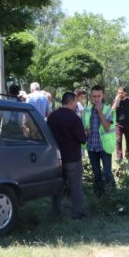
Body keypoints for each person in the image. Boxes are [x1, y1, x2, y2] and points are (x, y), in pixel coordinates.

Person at [47, 92, 87, 220]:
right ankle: (77, 213)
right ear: (71, 102)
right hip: (72, 158)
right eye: (75, 102)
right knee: (76, 186)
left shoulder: (52, 117)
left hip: (56, 158)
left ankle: (55, 211)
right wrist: (87, 133)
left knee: (58, 186)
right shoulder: (75, 118)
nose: (76, 105)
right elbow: (82, 139)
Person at [83, 85, 116, 196]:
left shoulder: (108, 110)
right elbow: (85, 127)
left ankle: (113, 195)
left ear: (103, 96)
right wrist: (86, 130)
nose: (96, 99)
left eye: (98, 96)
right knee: (96, 174)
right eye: (94, 96)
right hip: (92, 146)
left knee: (107, 173)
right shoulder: (87, 110)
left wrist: (100, 112)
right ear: (91, 96)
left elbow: (107, 127)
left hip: (104, 146)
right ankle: (99, 197)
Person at [111, 86, 129, 162]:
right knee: (118, 141)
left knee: (128, 141)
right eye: (118, 93)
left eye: (121, 93)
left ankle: (127, 156)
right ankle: (119, 158)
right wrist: (116, 100)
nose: (120, 94)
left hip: (128, 124)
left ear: (125, 93)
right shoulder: (116, 100)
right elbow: (112, 110)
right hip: (118, 124)